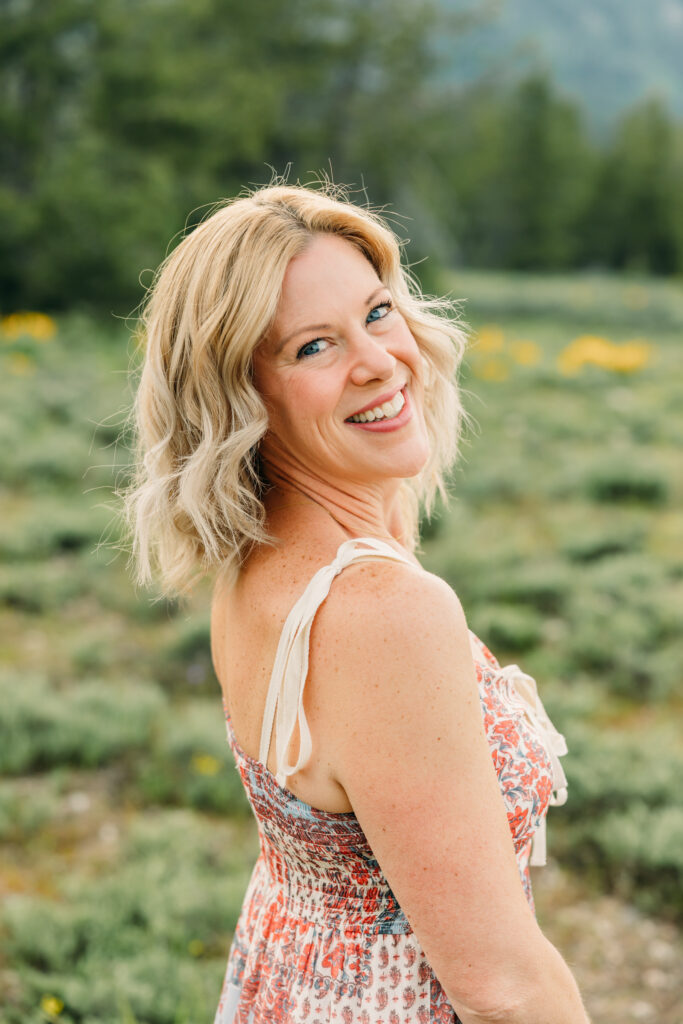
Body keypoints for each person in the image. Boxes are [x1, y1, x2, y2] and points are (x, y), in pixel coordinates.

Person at [123, 181, 591, 1024]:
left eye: (378, 312)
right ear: (242, 398)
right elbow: (503, 988)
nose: (379, 360)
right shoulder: (379, 611)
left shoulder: (260, 558)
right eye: (312, 347)